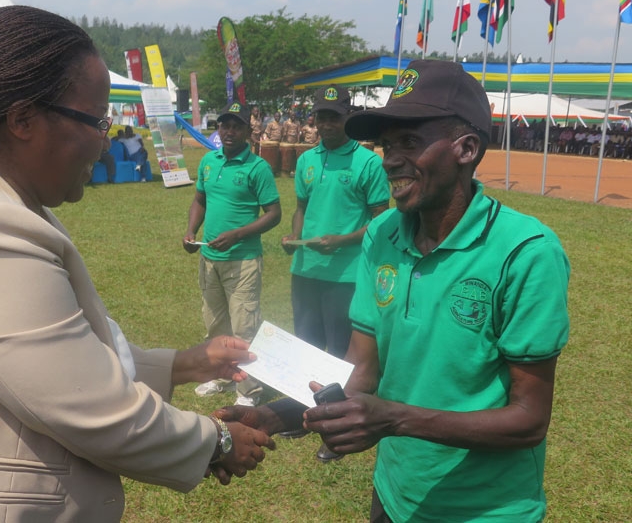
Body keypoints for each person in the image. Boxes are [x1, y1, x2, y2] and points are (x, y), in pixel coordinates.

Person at [0, 6, 275, 523]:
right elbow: (93, 410)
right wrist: (218, 440)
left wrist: (187, 364)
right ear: (23, 120)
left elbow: (67, 358)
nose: (105, 138)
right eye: (97, 120)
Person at [217, 60, 570, 523]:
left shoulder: (526, 252)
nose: (389, 159)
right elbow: (363, 371)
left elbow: (528, 419)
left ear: (466, 149)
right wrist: (276, 417)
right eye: (387, 144)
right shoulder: (383, 233)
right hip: (393, 494)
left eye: (410, 142)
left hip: (485, 510)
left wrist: (394, 419)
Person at [279, 85, 389, 461]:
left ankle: (338, 432)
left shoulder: (368, 163)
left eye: (334, 117)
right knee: (306, 344)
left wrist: (342, 240)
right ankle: (299, 414)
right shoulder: (308, 160)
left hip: (347, 273)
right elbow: (301, 207)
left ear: (349, 119)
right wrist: (295, 236)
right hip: (306, 268)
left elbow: (381, 219)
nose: (326, 124)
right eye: (321, 117)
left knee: (343, 354)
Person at [183, 101, 282, 407]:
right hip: (210, 258)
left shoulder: (257, 168)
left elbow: (274, 214)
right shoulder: (209, 162)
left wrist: (238, 234)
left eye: (236, 126)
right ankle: (222, 376)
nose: (229, 131)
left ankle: (249, 391)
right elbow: (200, 200)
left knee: (244, 327)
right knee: (215, 323)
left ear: (248, 132)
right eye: (224, 125)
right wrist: (191, 232)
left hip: (243, 260)